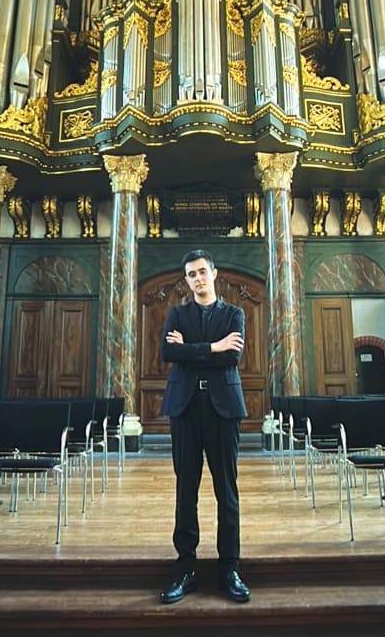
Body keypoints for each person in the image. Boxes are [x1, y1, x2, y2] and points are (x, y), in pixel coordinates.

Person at [159, 249, 251, 605]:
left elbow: (232, 356)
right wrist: (213, 346)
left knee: (226, 490)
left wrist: (192, 350)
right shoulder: (177, 313)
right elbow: (170, 354)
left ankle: (229, 568)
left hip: (222, 409)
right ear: (187, 280)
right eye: (191, 274)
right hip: (184, 408)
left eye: (202, 272)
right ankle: (186, 568)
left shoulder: (234, 313)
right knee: (186, 489)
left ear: (214, 273)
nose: (197, 278)